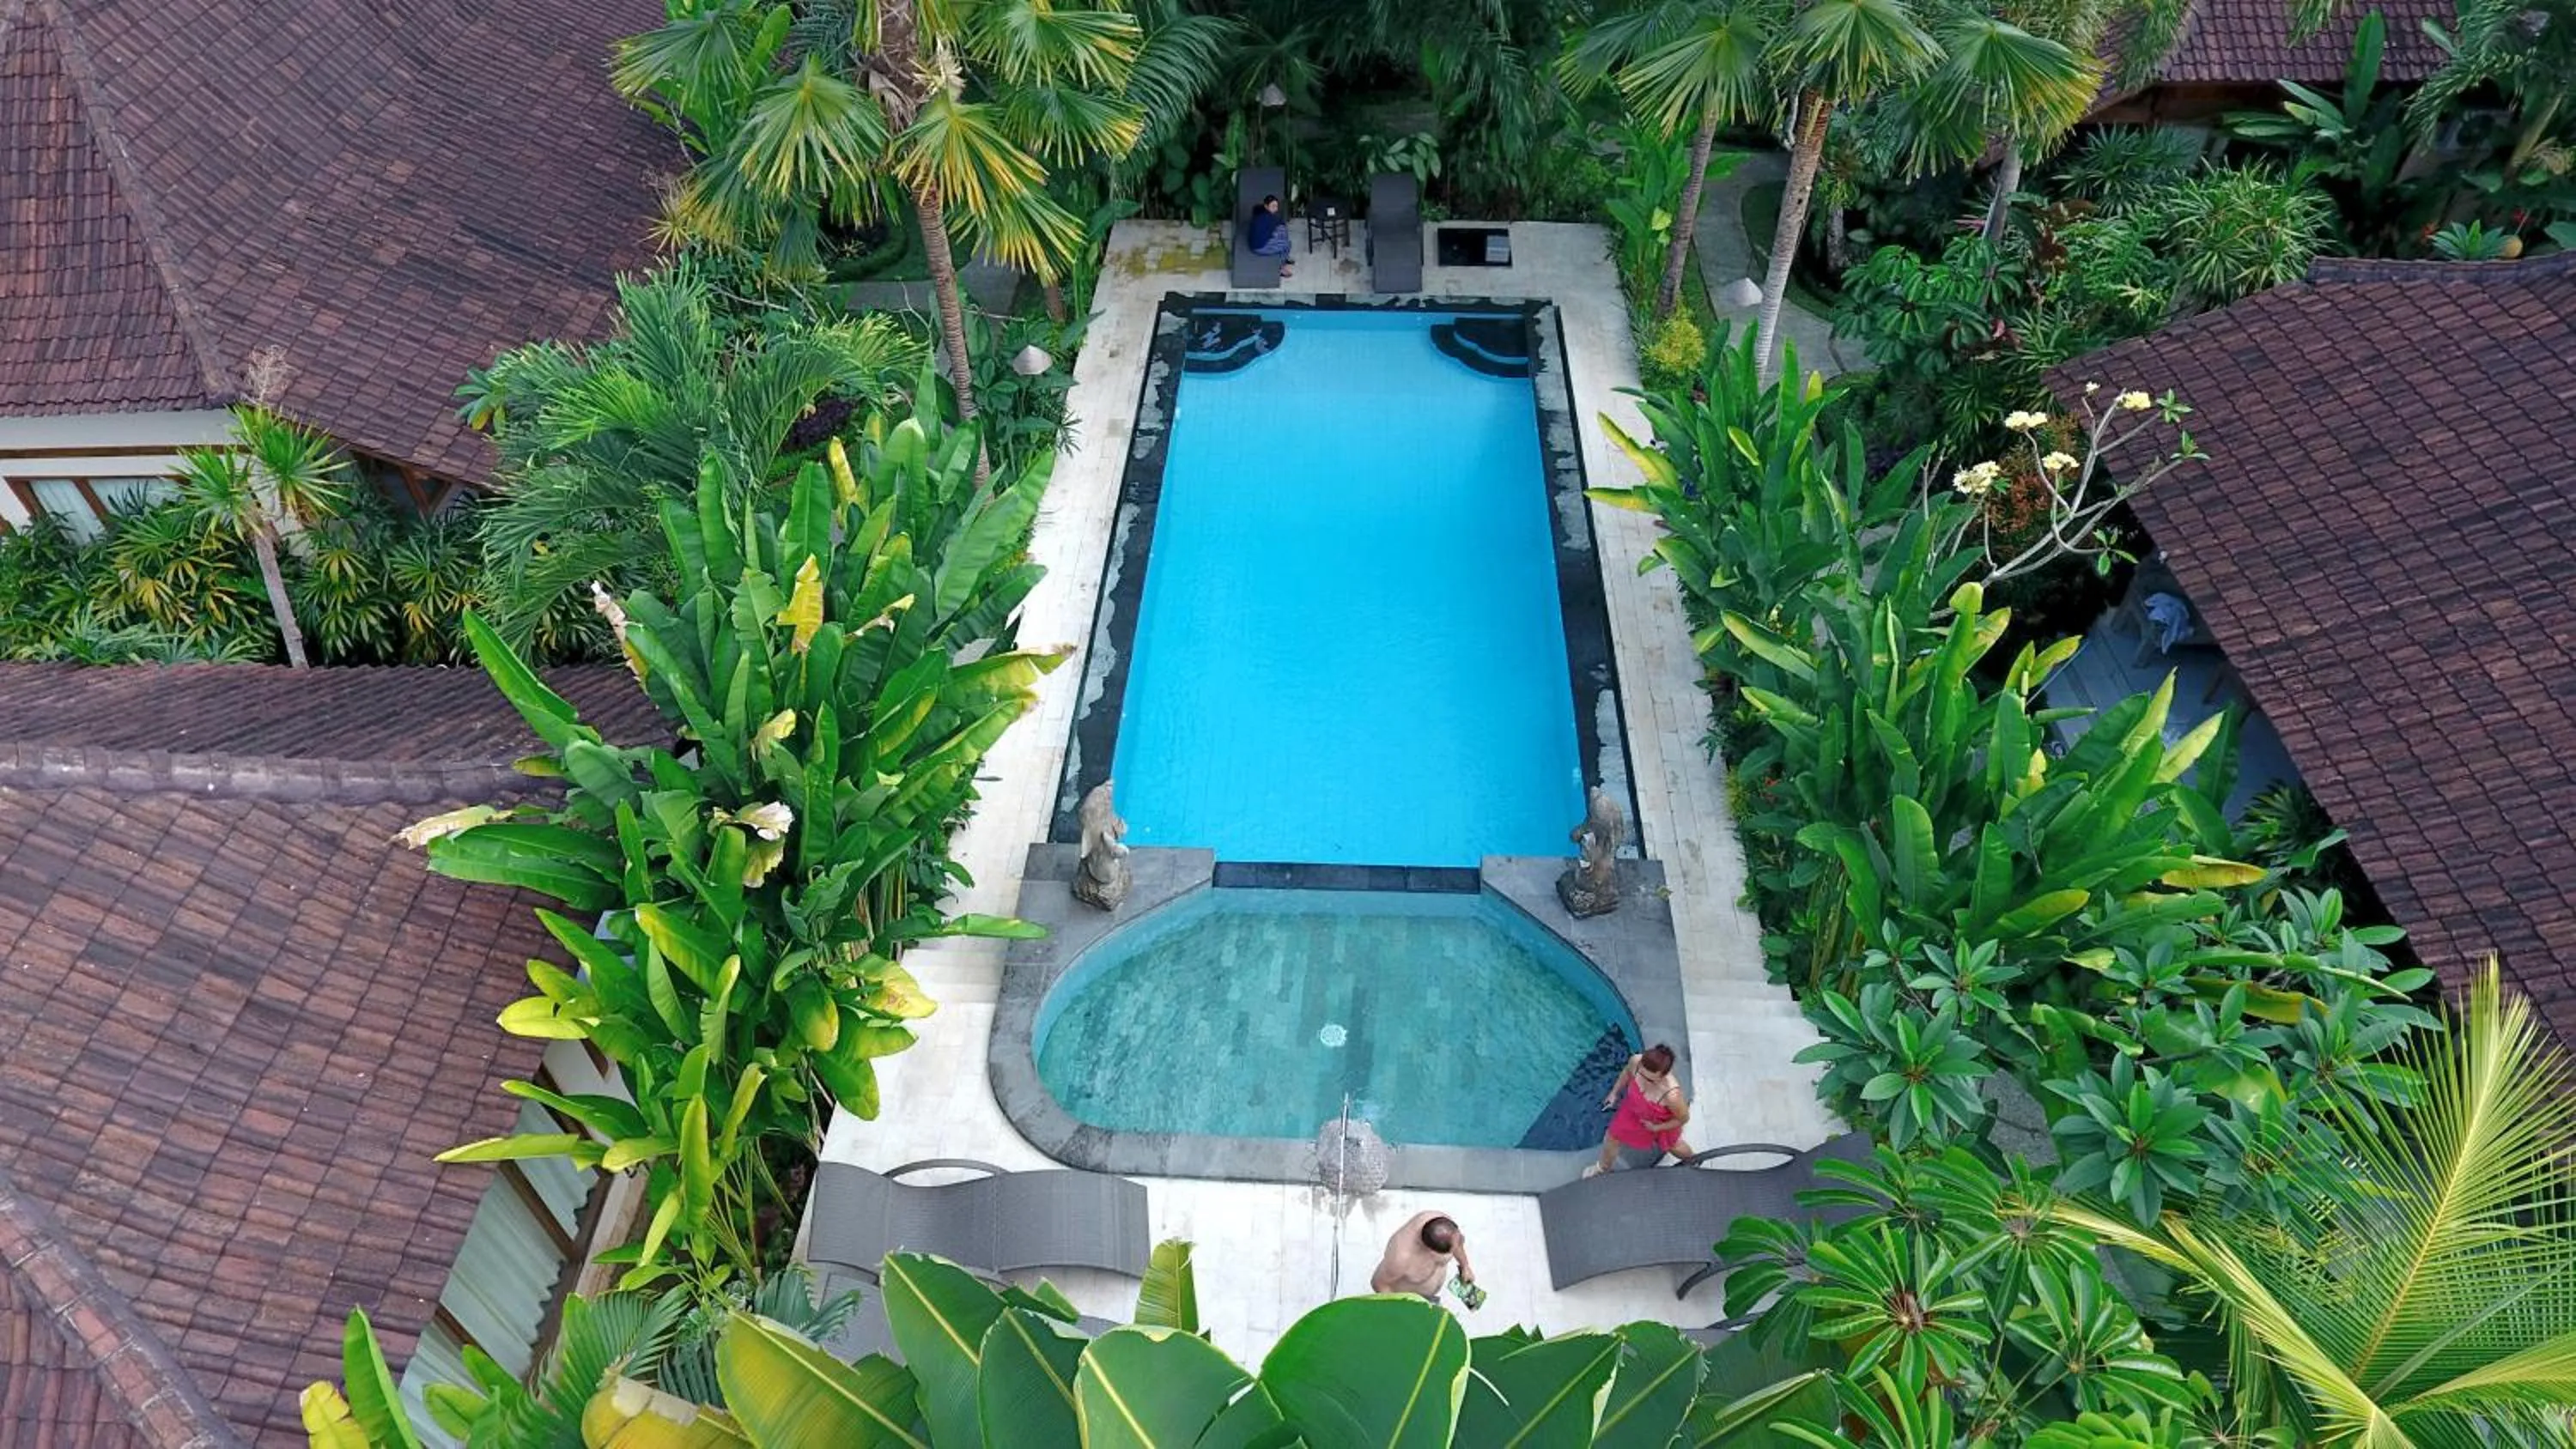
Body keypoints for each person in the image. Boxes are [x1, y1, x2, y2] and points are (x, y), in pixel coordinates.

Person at [1584, 1042, 1692, 1178]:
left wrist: (1657, 1128)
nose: (1644, 1081)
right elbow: (1627, 1072)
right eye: (1642, 1074)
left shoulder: (1672, 1096)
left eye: (1651, 1080)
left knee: (1673, 1145)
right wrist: (1614, 1093)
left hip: (1660, 1121)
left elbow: (1683, 1119)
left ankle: (1692, 1161)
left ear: (1664, 1075)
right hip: (1634, 1110)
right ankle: (1602, 1168)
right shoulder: (1636, 1061)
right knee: (1612, 1136)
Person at [1370, 1210, 1473, 1301]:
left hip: (1431, 1300)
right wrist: (1398, 1311)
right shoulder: (1400, 1257)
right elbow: (1378, 1283)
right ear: (1429, 1250)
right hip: (1407, 1302)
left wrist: (1465, 1266)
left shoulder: (1443, 1223)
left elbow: (1457, 1243)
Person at [1246, 193, 1294, 278]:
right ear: (1266, 206)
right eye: (1273, 206)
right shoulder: (1268, 218)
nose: (1275, 208)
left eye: (1276, 206)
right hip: (1259, 247)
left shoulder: (1259, 210)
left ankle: (1284, 256)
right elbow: (1280, 223)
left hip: (1259, 238)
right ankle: (1281, 268)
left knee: (1282, 231)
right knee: (1287, 244)